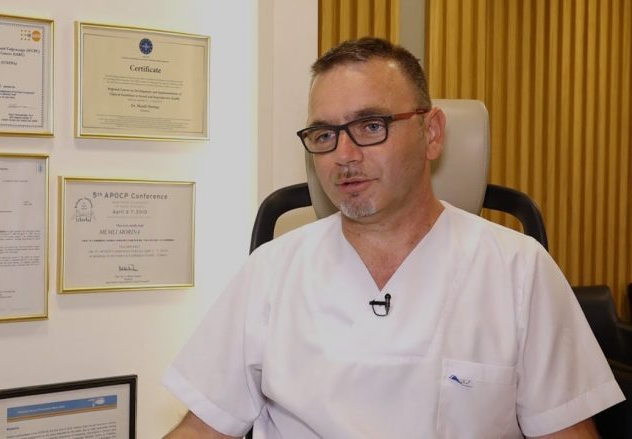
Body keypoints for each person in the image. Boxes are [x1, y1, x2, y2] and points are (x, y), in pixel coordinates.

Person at [162, 37, 624, 438]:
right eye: (324, 134)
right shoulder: (271, 271)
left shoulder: (518, 270)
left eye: (370, 126)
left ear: (431, 133)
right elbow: (203, 429)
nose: (344, 155)